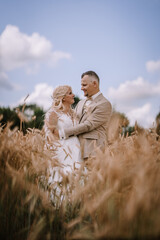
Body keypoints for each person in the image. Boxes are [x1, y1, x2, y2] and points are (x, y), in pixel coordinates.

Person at [59, 71, 112, 160]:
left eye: (84, 85)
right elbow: (72, 121)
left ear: (94, 84)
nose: (81, 88)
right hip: (75, 151)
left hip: (93, 152)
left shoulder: (104, 104)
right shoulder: (80, 102)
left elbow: (89, 125)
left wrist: (63, 133)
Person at [44, 85, 82, 183]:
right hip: (62, 152)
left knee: (76, 177)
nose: (73, 95)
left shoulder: (74, 114)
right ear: (63, 97)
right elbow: (51, 134)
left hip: (76, 150)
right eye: (70, 93)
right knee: (62, 178)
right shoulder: (53, 113)